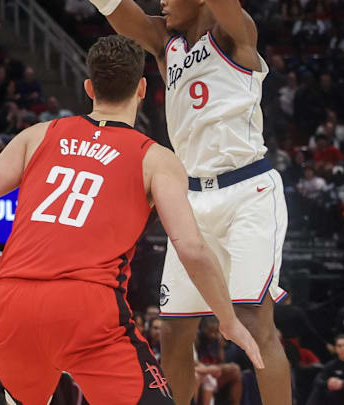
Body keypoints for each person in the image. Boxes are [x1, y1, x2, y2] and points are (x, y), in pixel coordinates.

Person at [0, 35, 262, 404]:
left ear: (89, 87)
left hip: (11, 301)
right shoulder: (156, 159)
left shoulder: (38, 136)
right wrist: (228, 320)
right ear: (141, 89)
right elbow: (193, 249)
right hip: (85, 304)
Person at [85, 1, 290, 403]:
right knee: (174, 331)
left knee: (253, 320)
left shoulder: (235, 33)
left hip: (248, 191)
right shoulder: (167, 44)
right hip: (192, 196)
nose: (160, 2)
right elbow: (121, 14)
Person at [306, 335, 344, 405]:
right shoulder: (331, 364)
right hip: (335, 393)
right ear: (335, 348)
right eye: (339, 346)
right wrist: (328, 383)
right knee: (318, 389)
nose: (342, 348)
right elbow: (317, 380)